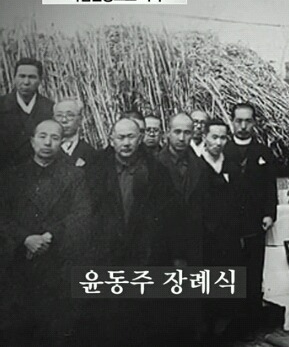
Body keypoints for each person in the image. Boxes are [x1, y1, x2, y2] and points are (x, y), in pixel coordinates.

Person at [86, 117, 182, 344]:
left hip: (145, 257)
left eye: (131, 137)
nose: (126, 143)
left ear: (139, 139)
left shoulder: (157, 171)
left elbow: (170, 217)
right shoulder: (95, 170)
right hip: (107, 256)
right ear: (111, 140)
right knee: (109, 321)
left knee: (143, 321)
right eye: (120, 137)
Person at [0, 120, 92, 345]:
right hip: (18, 265)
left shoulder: (74, 176)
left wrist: (50, 236)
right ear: (32, 141)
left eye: (54, 138)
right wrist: (25, 239)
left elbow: (82, 213)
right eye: (42, 136)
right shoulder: (11, 177)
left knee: (55, 331)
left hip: (57, 266)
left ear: (61, 142)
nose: (48, 142)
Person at [223, 102, 277, 341]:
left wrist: (269, 213)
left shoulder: (263, 152)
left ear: (254, 123)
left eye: (247, 121)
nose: (243, 126)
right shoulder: (223, 149)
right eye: (238, 121)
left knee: (254, 273)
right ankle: (231, 323)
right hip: (229, 224)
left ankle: (252, 324)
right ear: (232, 122)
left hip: (255, 223)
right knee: (232, 271)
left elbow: (270, 188)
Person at [199, 118, 237, 338]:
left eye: (223, 137)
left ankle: (224, 333)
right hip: (205, 236)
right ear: (205, 137)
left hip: (228, 237)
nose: (218, 142)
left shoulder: (231, 165)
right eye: (214, 137)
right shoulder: (197, 165)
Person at [157, 113, 209, 266]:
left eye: (187, 133)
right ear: (168, 133)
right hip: (163, 247)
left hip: (194, 247)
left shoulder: (200, 166)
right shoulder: (154, 166)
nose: (181, 138)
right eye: (177, 132)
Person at [0, 58, 54, 171]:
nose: (26, 82)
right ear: (14, 78)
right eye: (22, 76)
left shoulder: (50, 108)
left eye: (32, 77)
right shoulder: (2, 105)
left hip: (39, 174)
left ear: (40, 80)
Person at [53, 97, 98, 168]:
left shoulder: (91, 154)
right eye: (59, 115)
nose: (64, 120)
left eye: (70, 115)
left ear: (80, 119)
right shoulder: (46, 151)